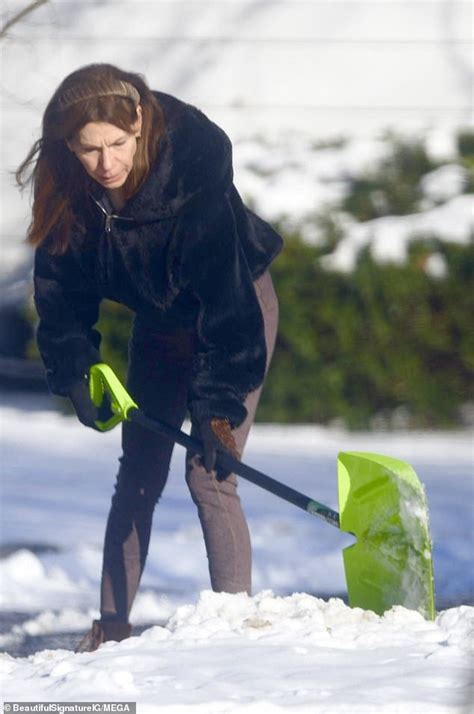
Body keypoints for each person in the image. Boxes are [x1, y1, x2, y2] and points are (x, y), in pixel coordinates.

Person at [17, 63, 282, 652]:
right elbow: (59, 297)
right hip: (162, 323)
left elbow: (227, 304)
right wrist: (76, 368)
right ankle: (110, 627)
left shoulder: (191, 177)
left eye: (116, 144)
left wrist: (216, 409)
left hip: (236, 310)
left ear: (138, 122)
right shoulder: (70, 193)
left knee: (209, 472)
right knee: (138, 469)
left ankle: (232, 631)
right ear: (70, 145)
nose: (106, 163)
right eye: (89, 149)